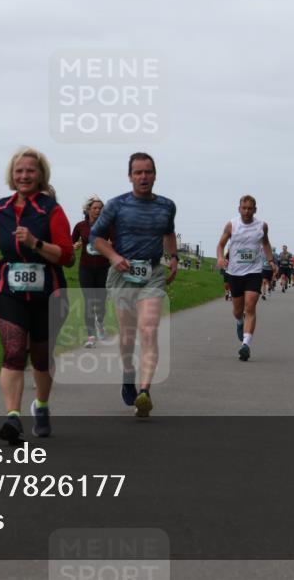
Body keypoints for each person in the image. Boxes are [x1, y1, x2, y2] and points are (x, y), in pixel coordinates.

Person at [0, 148, 74, 444]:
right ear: (12, 175)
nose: (24, 176)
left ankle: (42, 406)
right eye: (19, 171)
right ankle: (12, 417)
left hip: (49, 293)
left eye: (30, 171)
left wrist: (35, 243)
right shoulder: (2, 208)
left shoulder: (52, 210)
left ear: (40, 175)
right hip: (7, 291)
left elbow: (67, 256)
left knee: (42, 357)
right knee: (14, 351)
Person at [90, 153, 177, 418]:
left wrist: (173, 257)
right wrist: (114, 256)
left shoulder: (167, 206)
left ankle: (145, 391)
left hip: (151, 272)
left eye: (148, 172)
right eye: (138, 172)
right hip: (123, 274)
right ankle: (129, 372)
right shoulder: (116, 205)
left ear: (155, 175)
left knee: (148, 328)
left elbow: (168, 232)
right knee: (127, 336)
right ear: (130, 176)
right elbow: (95, 237)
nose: (143, 177)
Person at [216, 195, 277, 361]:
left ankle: (246, 345)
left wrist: (271, 261)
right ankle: (239, 322)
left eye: (250, 208)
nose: (247, 211)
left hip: (254, 271)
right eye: (244, 208)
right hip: (235, 272)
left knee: (250, 307)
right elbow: (220, 245)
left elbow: (265, 243)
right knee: (237, 311)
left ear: (255, 210)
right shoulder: (232, 225)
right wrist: (221, 258)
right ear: (239, 209)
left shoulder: (262, 226)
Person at [71, 196, 110, 347]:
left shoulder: (107, 226)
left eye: (101, 208)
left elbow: (116, 241)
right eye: (95, 208)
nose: (98, 211)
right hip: (85, 268)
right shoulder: (80, 226)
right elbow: (71, 241)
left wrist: (111, 244)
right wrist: (73, 247)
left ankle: (100, 322)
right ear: (88, 210)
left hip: (103, 268)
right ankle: (91, 335)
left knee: (100, 301)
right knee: (89, 301)